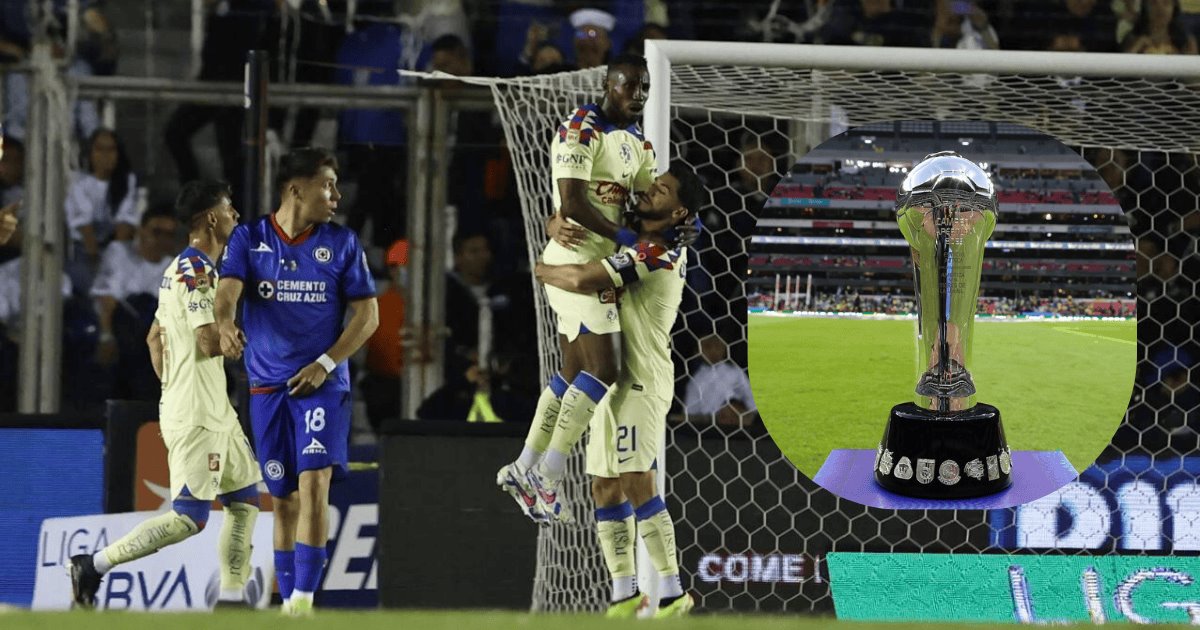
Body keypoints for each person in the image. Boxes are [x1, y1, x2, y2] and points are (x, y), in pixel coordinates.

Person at [68, 179, 261, 609]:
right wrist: (231, 340)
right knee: (189, 518)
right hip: (198, 414)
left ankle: (231, 596)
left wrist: (173, 385)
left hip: (213, 410)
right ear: (212, 218)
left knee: (245, 500)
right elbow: (209, 343)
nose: (236, 216)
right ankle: (92, 564)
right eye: (230, 209)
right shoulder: (193, 271)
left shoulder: (186, 270)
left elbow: (155, 337)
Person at [534, 166, 705, 618]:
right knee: (604, 487)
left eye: (663, 189)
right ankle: (624, 593)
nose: (650, 190)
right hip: (609, 379)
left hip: (642, 380)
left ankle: (672, 591)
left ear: (680, 211)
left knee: (636, 480)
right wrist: (557, 223)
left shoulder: (657, 253)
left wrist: (540, 267)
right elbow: (588, 217)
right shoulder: (635, 239)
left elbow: (583, 280)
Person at [215, 147, 378, 616]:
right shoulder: (250, 238)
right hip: (267, 389)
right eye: (327, 184)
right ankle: (289, 602)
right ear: (295, 189)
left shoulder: (342, 243)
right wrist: (224, 323)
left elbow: (368, 316)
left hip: (321, 384)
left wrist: (326, 363)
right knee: (282, 500)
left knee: (315, 482)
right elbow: (227, 294)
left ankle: (303, 604)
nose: (336, 195)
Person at [496, 54, 657, 524]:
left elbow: (645, 202)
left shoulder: (637, 141)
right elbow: (570, 203)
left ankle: (523, 466)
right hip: (575, 264)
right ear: (609, 84)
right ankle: (549, 472)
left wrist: (671, 221)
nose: (640, 95)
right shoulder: (581, 127)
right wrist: (626, 237)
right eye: (631, 86)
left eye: (645, 87)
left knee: (571, 372)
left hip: (597, 263)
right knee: (605, 369)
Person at [91, 206, 180, 399]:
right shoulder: (119, 253)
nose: (161, 240)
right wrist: (106, 337)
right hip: (119, 328)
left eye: (169, 234)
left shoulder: (175, 268)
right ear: (141, 230)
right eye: (156, 232)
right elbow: (107, 300)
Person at [65, 128, 140, 296]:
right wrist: (98, 263)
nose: (106, 155)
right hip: (84, 250)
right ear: (90, 152)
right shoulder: (78, 182)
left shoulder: (127, 181)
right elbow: (85, 227)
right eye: (100, 149)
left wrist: (115, 258)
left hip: (114, 247)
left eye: (111, 149)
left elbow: (125, 223)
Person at [683, 334, 758, 427]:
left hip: (739, 425)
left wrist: (744, 414)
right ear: (697, 351)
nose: (713, 351)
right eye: (708, 346)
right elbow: (690, 413)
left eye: (718, 346)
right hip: (709, 427)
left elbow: (751, 400)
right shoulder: (695, 381)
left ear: (725, 348)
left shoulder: (734, 372)